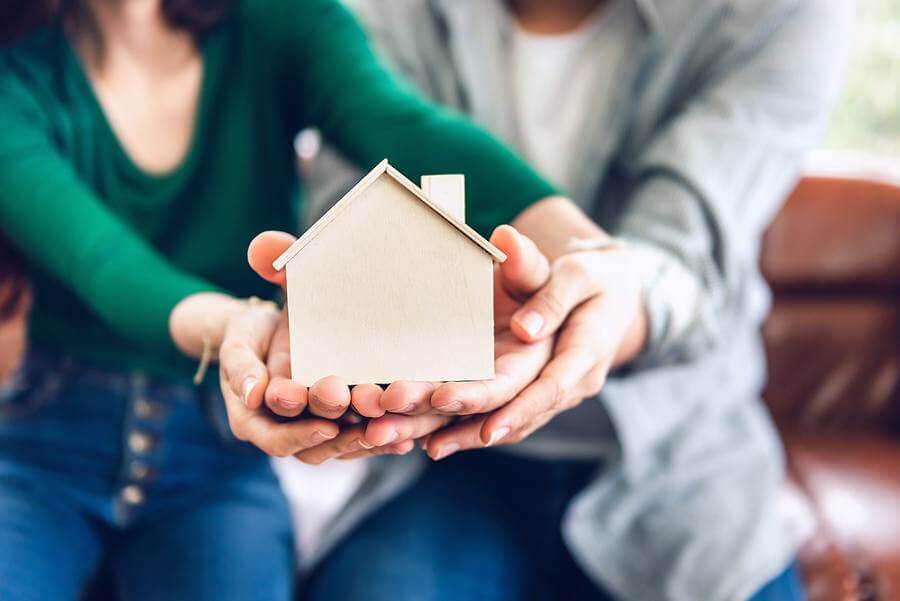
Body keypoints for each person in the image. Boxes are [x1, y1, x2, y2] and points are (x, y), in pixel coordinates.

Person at [0, 0, 603, 597]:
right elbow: (102, 262)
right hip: (47, 440)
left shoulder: (284, 21)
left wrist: (591, 250)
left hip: (215, 452)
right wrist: (239, 327)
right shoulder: (14, 77)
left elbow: (408, 129)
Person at [253, 0, 851, 599]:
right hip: (439, 463)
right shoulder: (372, 15)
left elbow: (690, 250)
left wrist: (604, 297)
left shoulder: (780, 13)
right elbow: (358, 192)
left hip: (679, 457)